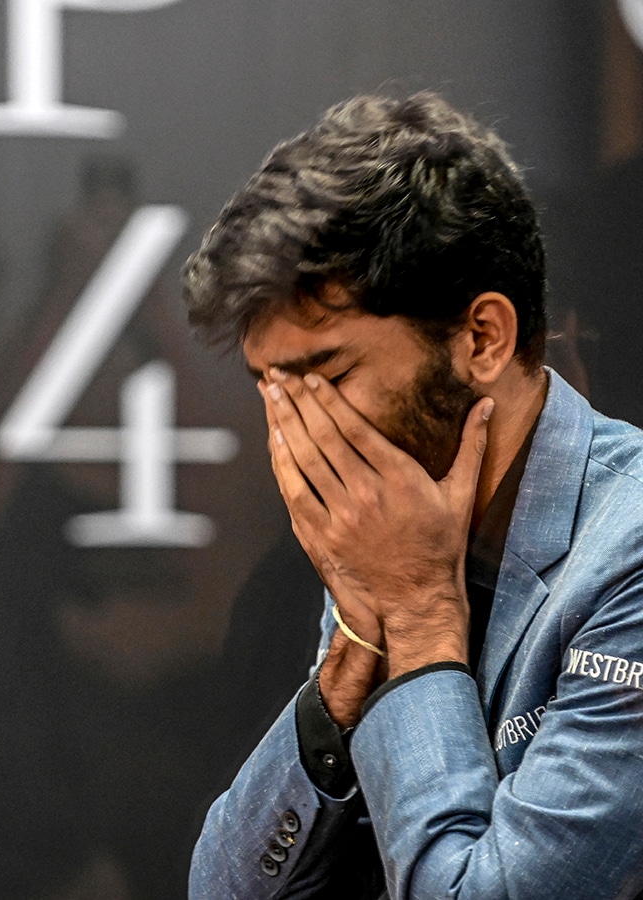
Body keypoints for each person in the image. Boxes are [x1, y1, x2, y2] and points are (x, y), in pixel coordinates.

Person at [182, 92, 643, 898]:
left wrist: (422, 615)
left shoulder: (629, 551)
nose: (296, 434)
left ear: (481, 338)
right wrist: (349, 666)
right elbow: (222, 888)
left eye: (328, 377)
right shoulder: (397, 520)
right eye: (268, 389)